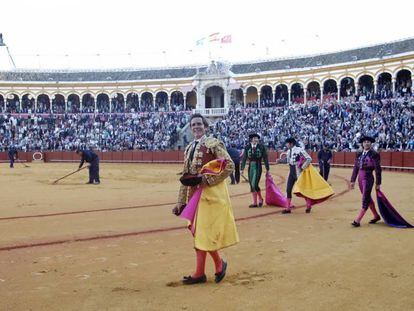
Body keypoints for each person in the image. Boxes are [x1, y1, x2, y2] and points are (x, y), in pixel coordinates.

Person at [172, 113, 239, 285]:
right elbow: (186, 177)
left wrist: (206, 180)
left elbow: (229, 165)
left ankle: (207, 269)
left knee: (202, 233)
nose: (196, 127)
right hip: (195, 196)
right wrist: (181, 201)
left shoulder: (213, 143)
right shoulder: (188, 148)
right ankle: (211, 267)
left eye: (199, 124)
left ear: (205, 126)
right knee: (200, 233)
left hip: (211, 195)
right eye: (193, 124)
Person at [350, 136, 382, 227]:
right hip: (360, 178)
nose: (366, 143)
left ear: (371, 144)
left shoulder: (374, 154)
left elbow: (377, 169)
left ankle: (357, 220)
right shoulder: (359, 154)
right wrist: (352, 180)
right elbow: (356, 167)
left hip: (368, 178)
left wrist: (378, 183)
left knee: (365, 198)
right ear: (362, 144)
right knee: (367, 197)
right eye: (365, 142)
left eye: (368, 142)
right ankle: (376, 216)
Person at [276, 137, 313, 213]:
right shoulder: (289, 151)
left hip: (298, 171)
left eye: (287, 143)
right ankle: (288, 208)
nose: (286, 145)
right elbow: (288, 160)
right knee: (288, 189)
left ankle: (308, 205)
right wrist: (280, 161)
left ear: (291, 143)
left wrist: (302, 167)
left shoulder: (299, 150)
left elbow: (309, 158)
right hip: (291, 171)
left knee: (302, 189)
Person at [241, 134, 269, 208]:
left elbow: (265, 158)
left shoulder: (261, 147)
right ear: (251, 139)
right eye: (255, 138)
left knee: (255, 184)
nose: (256, 139)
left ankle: (260, 198)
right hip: (251, 167)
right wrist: (242, 169)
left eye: (257, 138)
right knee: (251, 184)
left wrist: (267, 168)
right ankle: (255, 203)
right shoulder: (247, 147)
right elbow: (244, 158)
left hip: (258, 166)